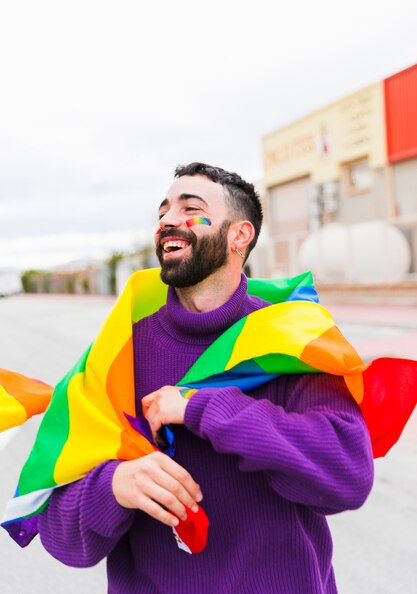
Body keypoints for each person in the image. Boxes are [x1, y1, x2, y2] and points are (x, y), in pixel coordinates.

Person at [38, 162, 374, 593]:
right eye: (163, 212)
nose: (168, 221)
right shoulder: (120, 350)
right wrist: (114, 486)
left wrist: (203, 407)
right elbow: (62, 539)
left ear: (240, 235)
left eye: (190, 208)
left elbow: (347, 476)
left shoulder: (292, 340)